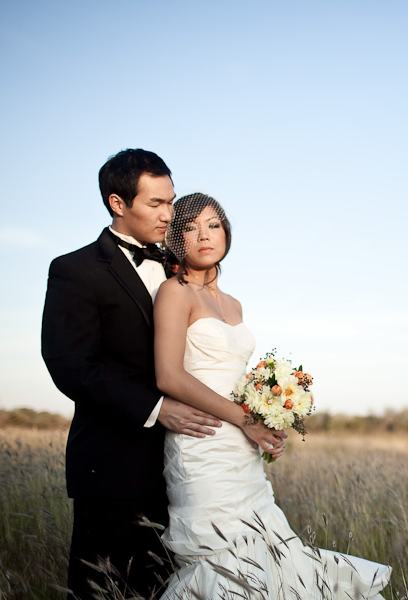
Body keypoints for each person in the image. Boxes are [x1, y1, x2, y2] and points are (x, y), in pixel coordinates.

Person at [41, 149, 287, 600]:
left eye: (171, 201)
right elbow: (72, 366)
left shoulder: (181, 267)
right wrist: (155, 407)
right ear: (119, 203)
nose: (169, 214)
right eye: (156, 203)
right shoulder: (75, 271)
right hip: (116, 458)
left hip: (194, 458)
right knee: (109, 587)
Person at [153, 193, 392, 599]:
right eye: (189, 227)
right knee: (221, 556)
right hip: (203, 441)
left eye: (213, 224)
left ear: (227, 232)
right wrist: (246, 419)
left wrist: (266, 417)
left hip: (241, 446)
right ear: (176, 239)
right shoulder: (174, 292)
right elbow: (170, 376)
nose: (203, 235)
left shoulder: (234, 304)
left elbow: (233, 376)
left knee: (268, 548)